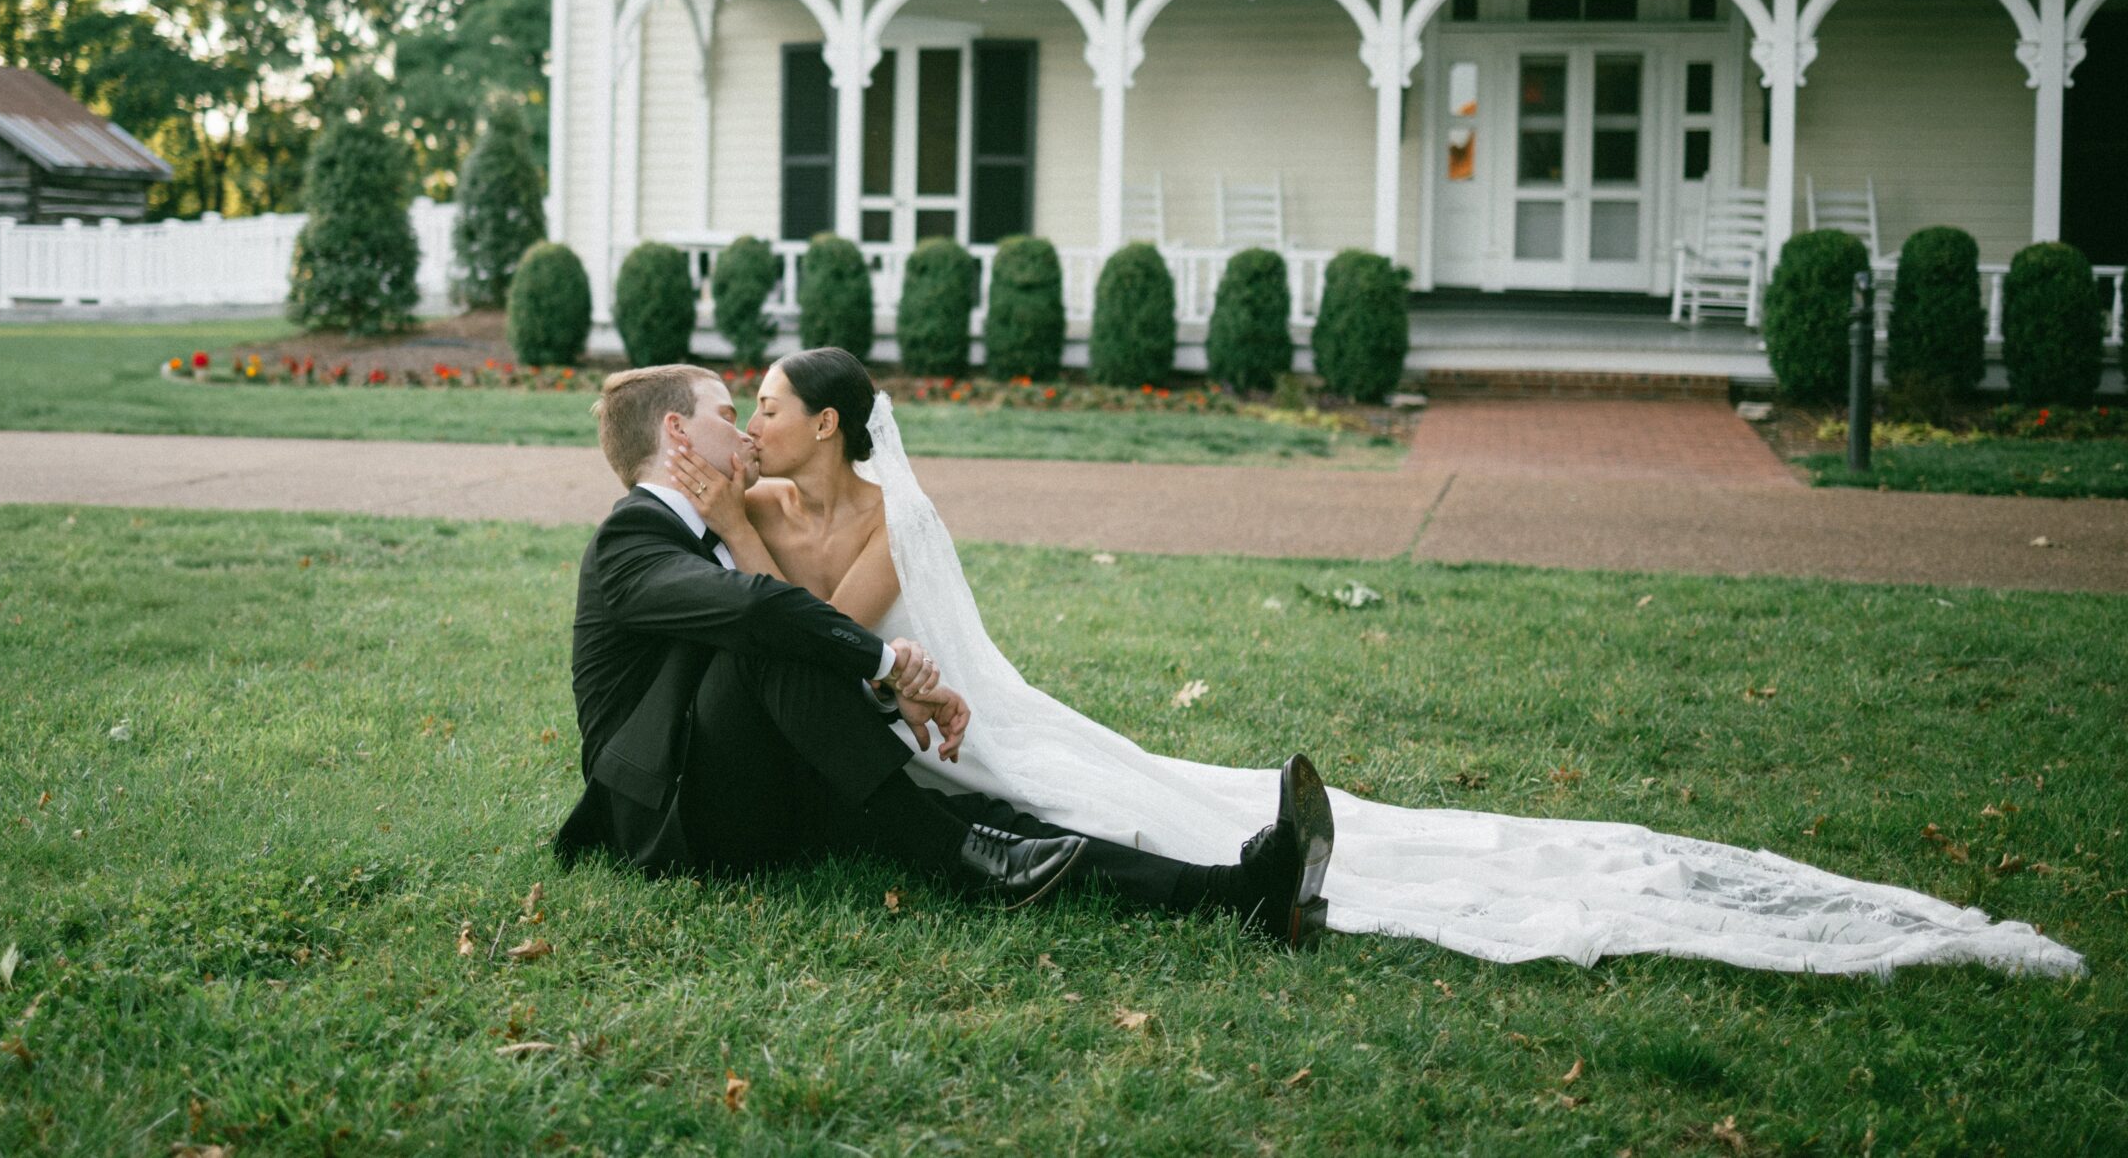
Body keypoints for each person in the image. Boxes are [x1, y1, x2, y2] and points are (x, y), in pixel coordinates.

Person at [658, 348, 2083, 979]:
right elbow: (788, 610)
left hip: (937, 713)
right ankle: (1226, 875)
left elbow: (838, 628)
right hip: (877, 711)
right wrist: (725, 502)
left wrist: (738, 526)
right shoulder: (770, 498)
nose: (758, 423)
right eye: (756, 410)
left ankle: (1243, 868)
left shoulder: (890, 512)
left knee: (1095, 788)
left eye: (772, 407)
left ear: (832, 428)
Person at [554, 362, 1332, 946]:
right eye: (729, 412)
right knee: (772, 651)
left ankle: (1240, 894)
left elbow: (787, 640)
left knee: (986, 817)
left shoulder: (723, 523)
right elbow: (760, 611)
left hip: (755, 779)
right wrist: (886, 663)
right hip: (668, 816)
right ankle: (956, 850)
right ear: (677, 435)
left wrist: (895, 691)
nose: (746, 429)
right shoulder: (631, 539)